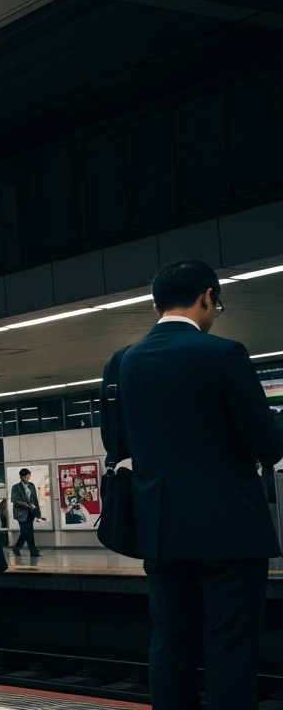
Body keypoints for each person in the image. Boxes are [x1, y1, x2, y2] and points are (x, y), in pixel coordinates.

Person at [117, 260, 283, 710]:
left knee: (171, 645)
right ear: (208, 296)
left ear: (156, 305)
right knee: (230, 647)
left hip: (161, 531)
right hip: (228, 531)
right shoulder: (223, 354)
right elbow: (267, 445)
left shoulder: (126, 362)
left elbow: (122, 442)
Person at [10, 469, 40, 558]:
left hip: (31, 511)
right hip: (21, 513)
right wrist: (26, 505)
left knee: (27, 532)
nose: (27, 479)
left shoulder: (31, 485)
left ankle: (17, 548)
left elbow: (35, 499)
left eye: (28, 477)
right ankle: (33, 551)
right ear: (21, 476)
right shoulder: (15, 487)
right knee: (27, 531)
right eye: (25, 477)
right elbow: (14, 500)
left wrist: (37, 510)